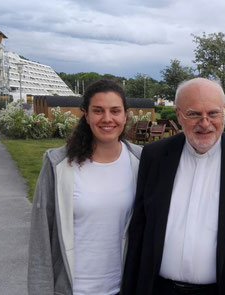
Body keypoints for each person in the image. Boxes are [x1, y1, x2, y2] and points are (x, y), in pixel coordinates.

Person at [122, 78, 225, 295]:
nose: (204, 122)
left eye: (212, 113)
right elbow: (140, 228)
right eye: (194, 114)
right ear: (179, 114)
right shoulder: (154, 157)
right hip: (158, 289)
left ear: (224, 111)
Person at [28, 79, 142, 295]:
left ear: (125, 115)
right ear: (86, 115)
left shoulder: (142, 161)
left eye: (115, 111)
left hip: (123, 288)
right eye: (98, 111)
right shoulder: (58, 164)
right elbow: (40, 240)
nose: (107, 118)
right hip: (73, 289)